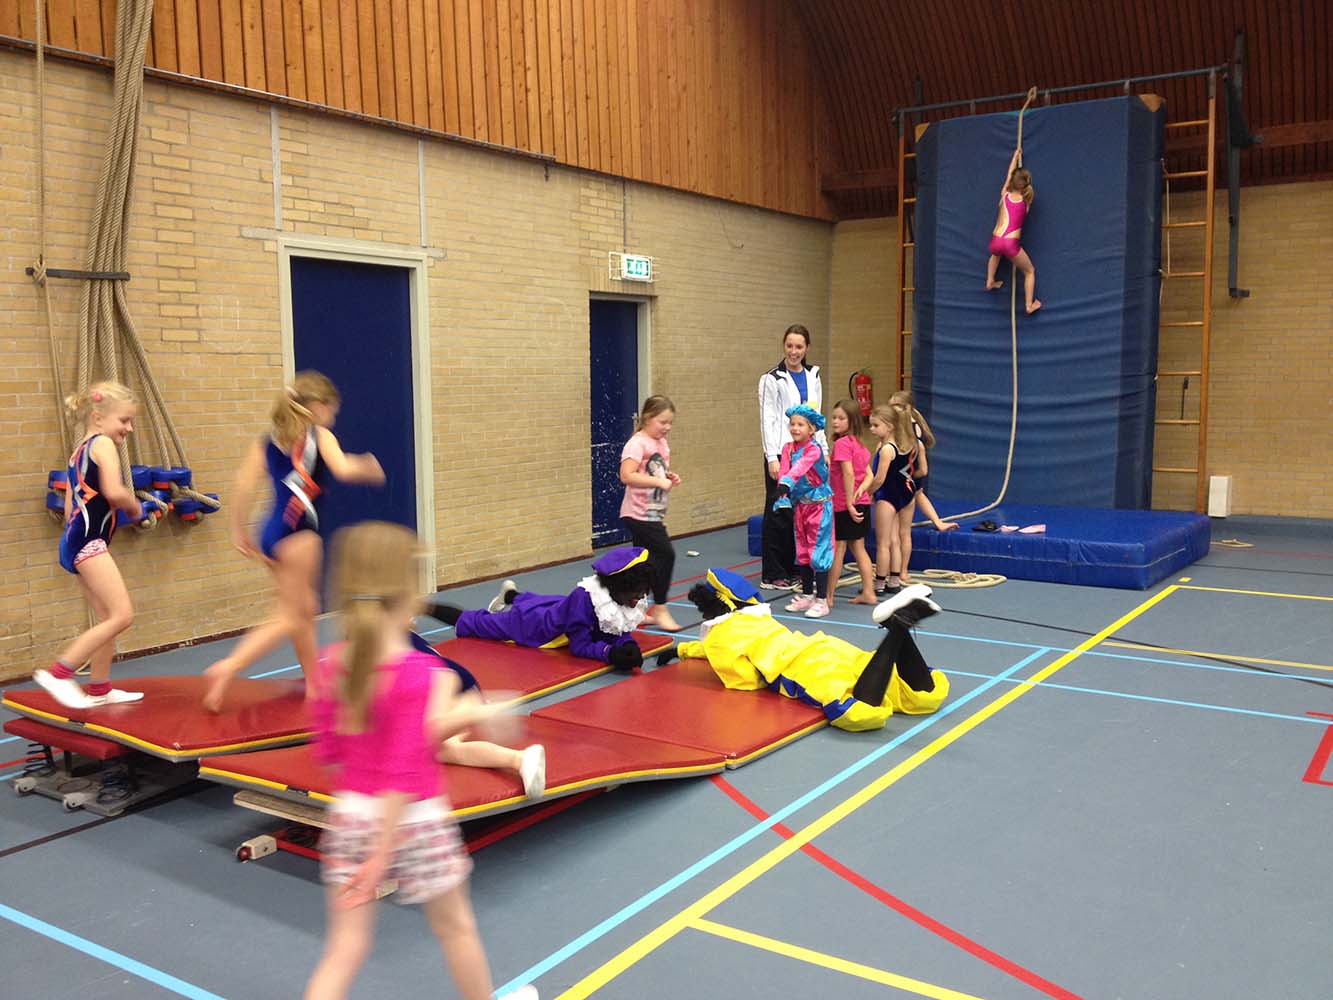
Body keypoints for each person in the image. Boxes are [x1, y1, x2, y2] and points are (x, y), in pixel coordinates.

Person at [304, 521, 537, 1000]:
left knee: (345, 948)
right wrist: (381, 853)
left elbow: (330, 751)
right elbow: (403, 767)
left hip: (350, 817)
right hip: (412, 822)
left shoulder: (332, 665)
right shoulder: (421, 672)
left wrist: (474, 712)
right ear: (408, 596)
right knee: (456, 928)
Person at [203, 371, 385, 713]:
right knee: (289, 614)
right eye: (332, 410)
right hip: (299, 533)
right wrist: (367, 466)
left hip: (271, 531)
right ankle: (228, 667)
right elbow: (343, 469)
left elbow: (243, 484)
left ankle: (315, 684)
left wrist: (238, 528)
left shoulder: (268, 441)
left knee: (303, 608)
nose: (333, 417)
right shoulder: (319, 436)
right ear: (318, 406)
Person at [674, 568, 949, 731]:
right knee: (916, 693)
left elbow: (746, 681)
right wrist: (685, 650)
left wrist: (705, 655)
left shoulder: (720, 637)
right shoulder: (756, 618)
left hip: (804, 669)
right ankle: (897, 622)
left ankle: (897, 627)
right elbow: (734, 646)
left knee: (859, 710)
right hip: (822, 646)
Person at [34, 382, 154, 709]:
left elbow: (74, 507)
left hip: (77, 540)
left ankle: (99, 688)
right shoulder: (103, 444)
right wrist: (134, 506)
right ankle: (59, 674)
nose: (129, 428)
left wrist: (113, 518)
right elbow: (114, 492)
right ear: (98, 417)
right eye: (124, 420)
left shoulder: (78, 453)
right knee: (122, 615)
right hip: (88, 542)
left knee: (106, 618)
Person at [426, 547, 653, 671]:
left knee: (540, 604)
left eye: (643, 593)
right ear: (620, 585)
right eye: (636, 593)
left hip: (557, 611)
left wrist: (628, 643)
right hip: (534, 627)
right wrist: (609, 653)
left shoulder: (619, 596)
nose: (639, 599)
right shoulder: (586, 599)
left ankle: (511, 596)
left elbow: (614, 630)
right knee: (477, 623)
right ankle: (424, 607)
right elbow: (579, 646)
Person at [407, 633, 546, 800]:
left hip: (455, 690)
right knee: (443, 750)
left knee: (421, 740)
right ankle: (521, 759)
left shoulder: (392, 642)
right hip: (449, 690)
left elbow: (440, 675)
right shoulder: (396, 640)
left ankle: (478, 712)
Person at [758, 324, 824, 590]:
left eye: (799, 347)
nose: (793, 351)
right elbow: (768, 419)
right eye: (789, 346)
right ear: (783, 346)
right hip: (782, 454)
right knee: (778, 512)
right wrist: (772, 457)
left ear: (806, 348)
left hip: (806, 455)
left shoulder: (813, 375)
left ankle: (792, 567)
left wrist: (823, 451)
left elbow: (816, 416)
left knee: (800, 512)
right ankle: (773, 572)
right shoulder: (771, 379)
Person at [618, 395, 682, 632]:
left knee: (644, 560)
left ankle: (635, 609)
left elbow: (653, 470)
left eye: (670, 423)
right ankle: (660, 608)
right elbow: (626, 475)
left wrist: (669, 476)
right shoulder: (637, 443)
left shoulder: (661, 443)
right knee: (666, 555)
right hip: (638, 513)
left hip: (654, 513)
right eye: (662, 422)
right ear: (647, 418)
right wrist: (657, 481)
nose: (667, 427)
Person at [773, 405, 834, 619]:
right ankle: (808, 595)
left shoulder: (814, 449)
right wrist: (782, 496)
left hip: (819, 506)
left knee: (819, 552)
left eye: (800, 425)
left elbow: (800, 469)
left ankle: (822, 601)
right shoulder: (787, 448)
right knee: (803, 552)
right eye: (792, 424)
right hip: (801, 506)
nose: (795, 428)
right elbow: (785, 470)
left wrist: (787, 483)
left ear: (812, 429)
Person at [855, 403, 917, 596]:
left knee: (883, 543)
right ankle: (894, 581)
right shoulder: (903, 445)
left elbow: (879, 478)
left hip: (888, 496)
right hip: (904, 494)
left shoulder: (886, 449)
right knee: (894, 540)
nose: (872, 429)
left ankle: (879, 583)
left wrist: (867, 492)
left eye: (876, 425)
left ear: (889, 426)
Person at [824, 400, 877, 609]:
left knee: (838, 548)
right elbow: (869, 474)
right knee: (859, 548)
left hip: (845, 505)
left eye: (841, 418)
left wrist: (848, 502)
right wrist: (862, 489)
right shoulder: (859, 444)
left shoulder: (842, 444)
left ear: (852, 420)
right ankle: (869, 592)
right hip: (862, 502)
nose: (835, 422)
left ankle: (828, 596)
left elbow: (848, 473)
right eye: (834, 417)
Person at [889, 390, 958, 535]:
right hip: (910, 467)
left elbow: (911, 454)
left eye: (895, 406)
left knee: (913, 494)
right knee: (918, 493)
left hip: (907, 468)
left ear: (906, 407)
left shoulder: (908, 426)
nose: (891, 410)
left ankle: (935, 522)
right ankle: (938, 522)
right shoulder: (912, 423)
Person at [984, 147, 1041, 314]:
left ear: (1011, 184)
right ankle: (1029, 305)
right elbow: (1017, 182)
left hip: (995, 240)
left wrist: (1015, 156)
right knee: (1030, 271)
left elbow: (1009, 175)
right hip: (1010, 244)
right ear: (1026, 186)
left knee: (995, 255)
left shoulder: (1004, 194)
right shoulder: (1026, 202)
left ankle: (990, 280)